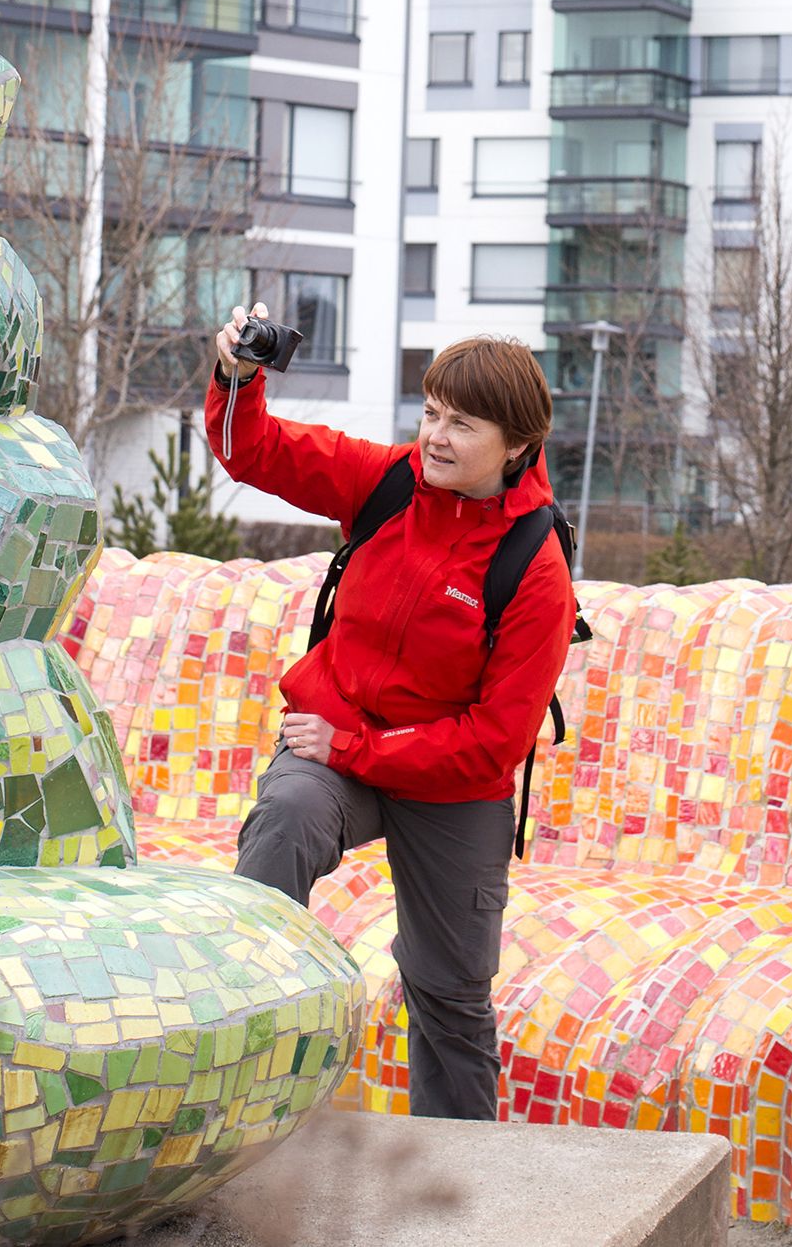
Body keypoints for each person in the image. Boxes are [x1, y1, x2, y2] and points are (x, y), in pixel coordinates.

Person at [204, 303, 579, 1121]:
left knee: (450, 998)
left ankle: (459, 1197)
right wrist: (238, 375)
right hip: (337, 751)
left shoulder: (536, 571)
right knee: (290, 809)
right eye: (432, 413)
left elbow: (492, 744)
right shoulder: (387, 482)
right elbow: (251, 449)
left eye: (463, 424)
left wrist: (355, 747)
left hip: (449, 784)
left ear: (518, 445)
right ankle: (237, 1047)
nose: (436, 437)